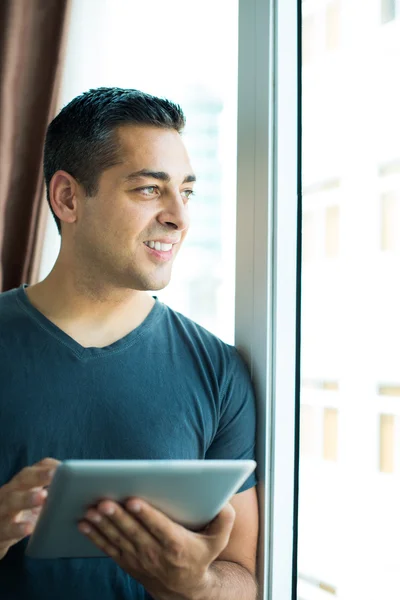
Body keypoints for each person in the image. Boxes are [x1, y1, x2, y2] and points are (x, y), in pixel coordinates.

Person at [0, 87, 258, 600]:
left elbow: (243, 575)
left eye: (186, 191)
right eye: (148, 189)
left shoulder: (219, 371)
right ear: (67, 198)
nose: (179, 218)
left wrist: (198, 585)